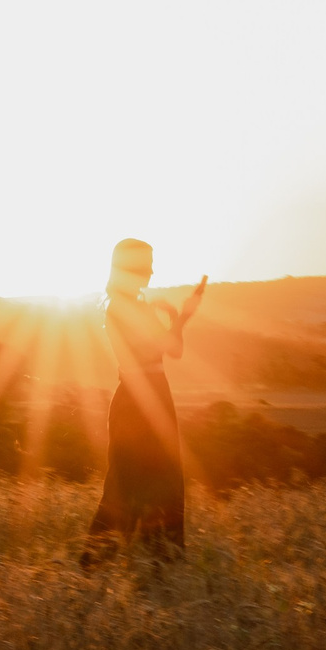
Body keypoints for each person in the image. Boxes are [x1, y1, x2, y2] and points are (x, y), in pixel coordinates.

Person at [83, 238, 205, 562]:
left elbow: (172, 351)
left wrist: (178, 318)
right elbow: (149, 352)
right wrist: (181, 318)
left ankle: (155, 564)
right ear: (129, 268)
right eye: (146, 264)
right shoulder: (120, 308)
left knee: (160, 481)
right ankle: (99, 563)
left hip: (154, 394)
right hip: (138, 399)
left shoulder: (138, 307)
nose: (152, 271)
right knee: (128, 485)